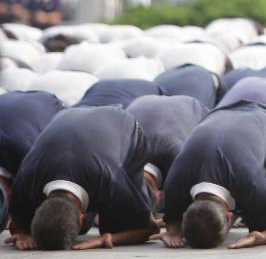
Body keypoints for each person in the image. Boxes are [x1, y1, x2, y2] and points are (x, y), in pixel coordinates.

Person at [5, 105, 157, 250]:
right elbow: (17, 223)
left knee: (115, 225)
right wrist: (23, 233)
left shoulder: (111, 182)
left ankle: (147, 194)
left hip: (123, 124)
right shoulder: (26, 179)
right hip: (70, 117)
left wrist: (108, 238)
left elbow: (149, 227)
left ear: (81, 218)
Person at [158, 101, 266, 249]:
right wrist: (173, 232)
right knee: (260, 211)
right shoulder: (173, 184)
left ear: (229, 217)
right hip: (220, 113)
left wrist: (259, 238)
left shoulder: (251, 182)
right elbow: (172, 221)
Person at [125, 95, 210, 211]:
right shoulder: (119, 157)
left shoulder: (179, 157)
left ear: (159, 195)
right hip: (141, 101)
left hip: (192, 107)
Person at [0, 91, 64, 231]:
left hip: (50, 102)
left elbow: (48, 197)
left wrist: (24, 228)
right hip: (10, 98)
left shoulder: (28, 155)